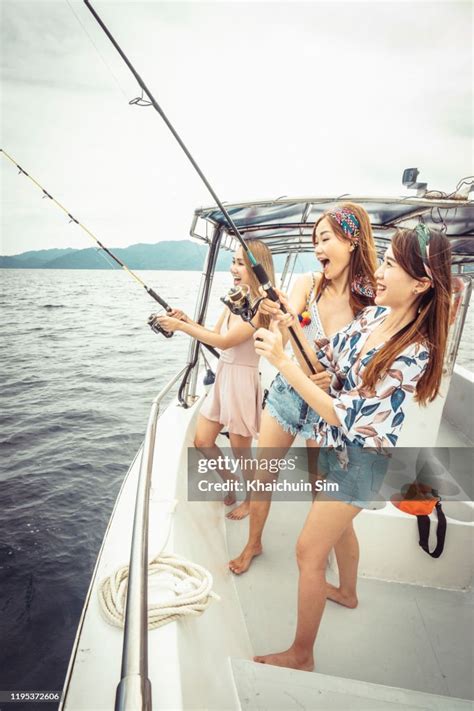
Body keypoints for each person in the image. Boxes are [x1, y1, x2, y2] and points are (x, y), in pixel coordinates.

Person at [251, 225, 452, 670]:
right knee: (340, 529)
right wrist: (291, 327)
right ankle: (348, 592)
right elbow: (326, 357)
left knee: (307, 551)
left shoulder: (415, 351)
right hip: (333, 448)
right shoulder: (375, 316)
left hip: (359, 462)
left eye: (391, 266)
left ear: (421, 284)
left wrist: (284, 362)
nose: (378, 273)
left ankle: (302, 654)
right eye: (382, 262)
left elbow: (344, 413)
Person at [229, 203, 377, 573]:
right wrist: (278, 317)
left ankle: (318, 547)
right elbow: (283, 327)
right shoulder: (307, 284)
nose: (318, 248)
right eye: (314, 241)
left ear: (353, 240)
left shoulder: (371, 300)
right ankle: (253, 543)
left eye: (325, 238)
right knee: (264, 475)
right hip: (286, 395)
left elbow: (366, 366)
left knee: (319, 486)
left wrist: (337, 379)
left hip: (327, 405)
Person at [154, 239, 275, 518]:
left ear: (257, 269)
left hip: (242, 381)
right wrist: (187, 320)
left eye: (241, 263)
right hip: (223, 377)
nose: (234, 268)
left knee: (241, 451)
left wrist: (182, 327)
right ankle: (231, 482)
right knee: (202, 441)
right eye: (233, 261)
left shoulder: (261, 307)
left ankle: (250, 500)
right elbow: (215, 333)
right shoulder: (235, 297)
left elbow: (223, 342)